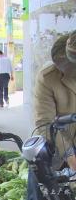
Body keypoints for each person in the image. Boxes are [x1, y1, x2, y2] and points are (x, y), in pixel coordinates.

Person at [32, 31, 76, 200]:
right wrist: (70, 156)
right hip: (57, 144)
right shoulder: (48, 77)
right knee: (40, 187)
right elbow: (45, 122)